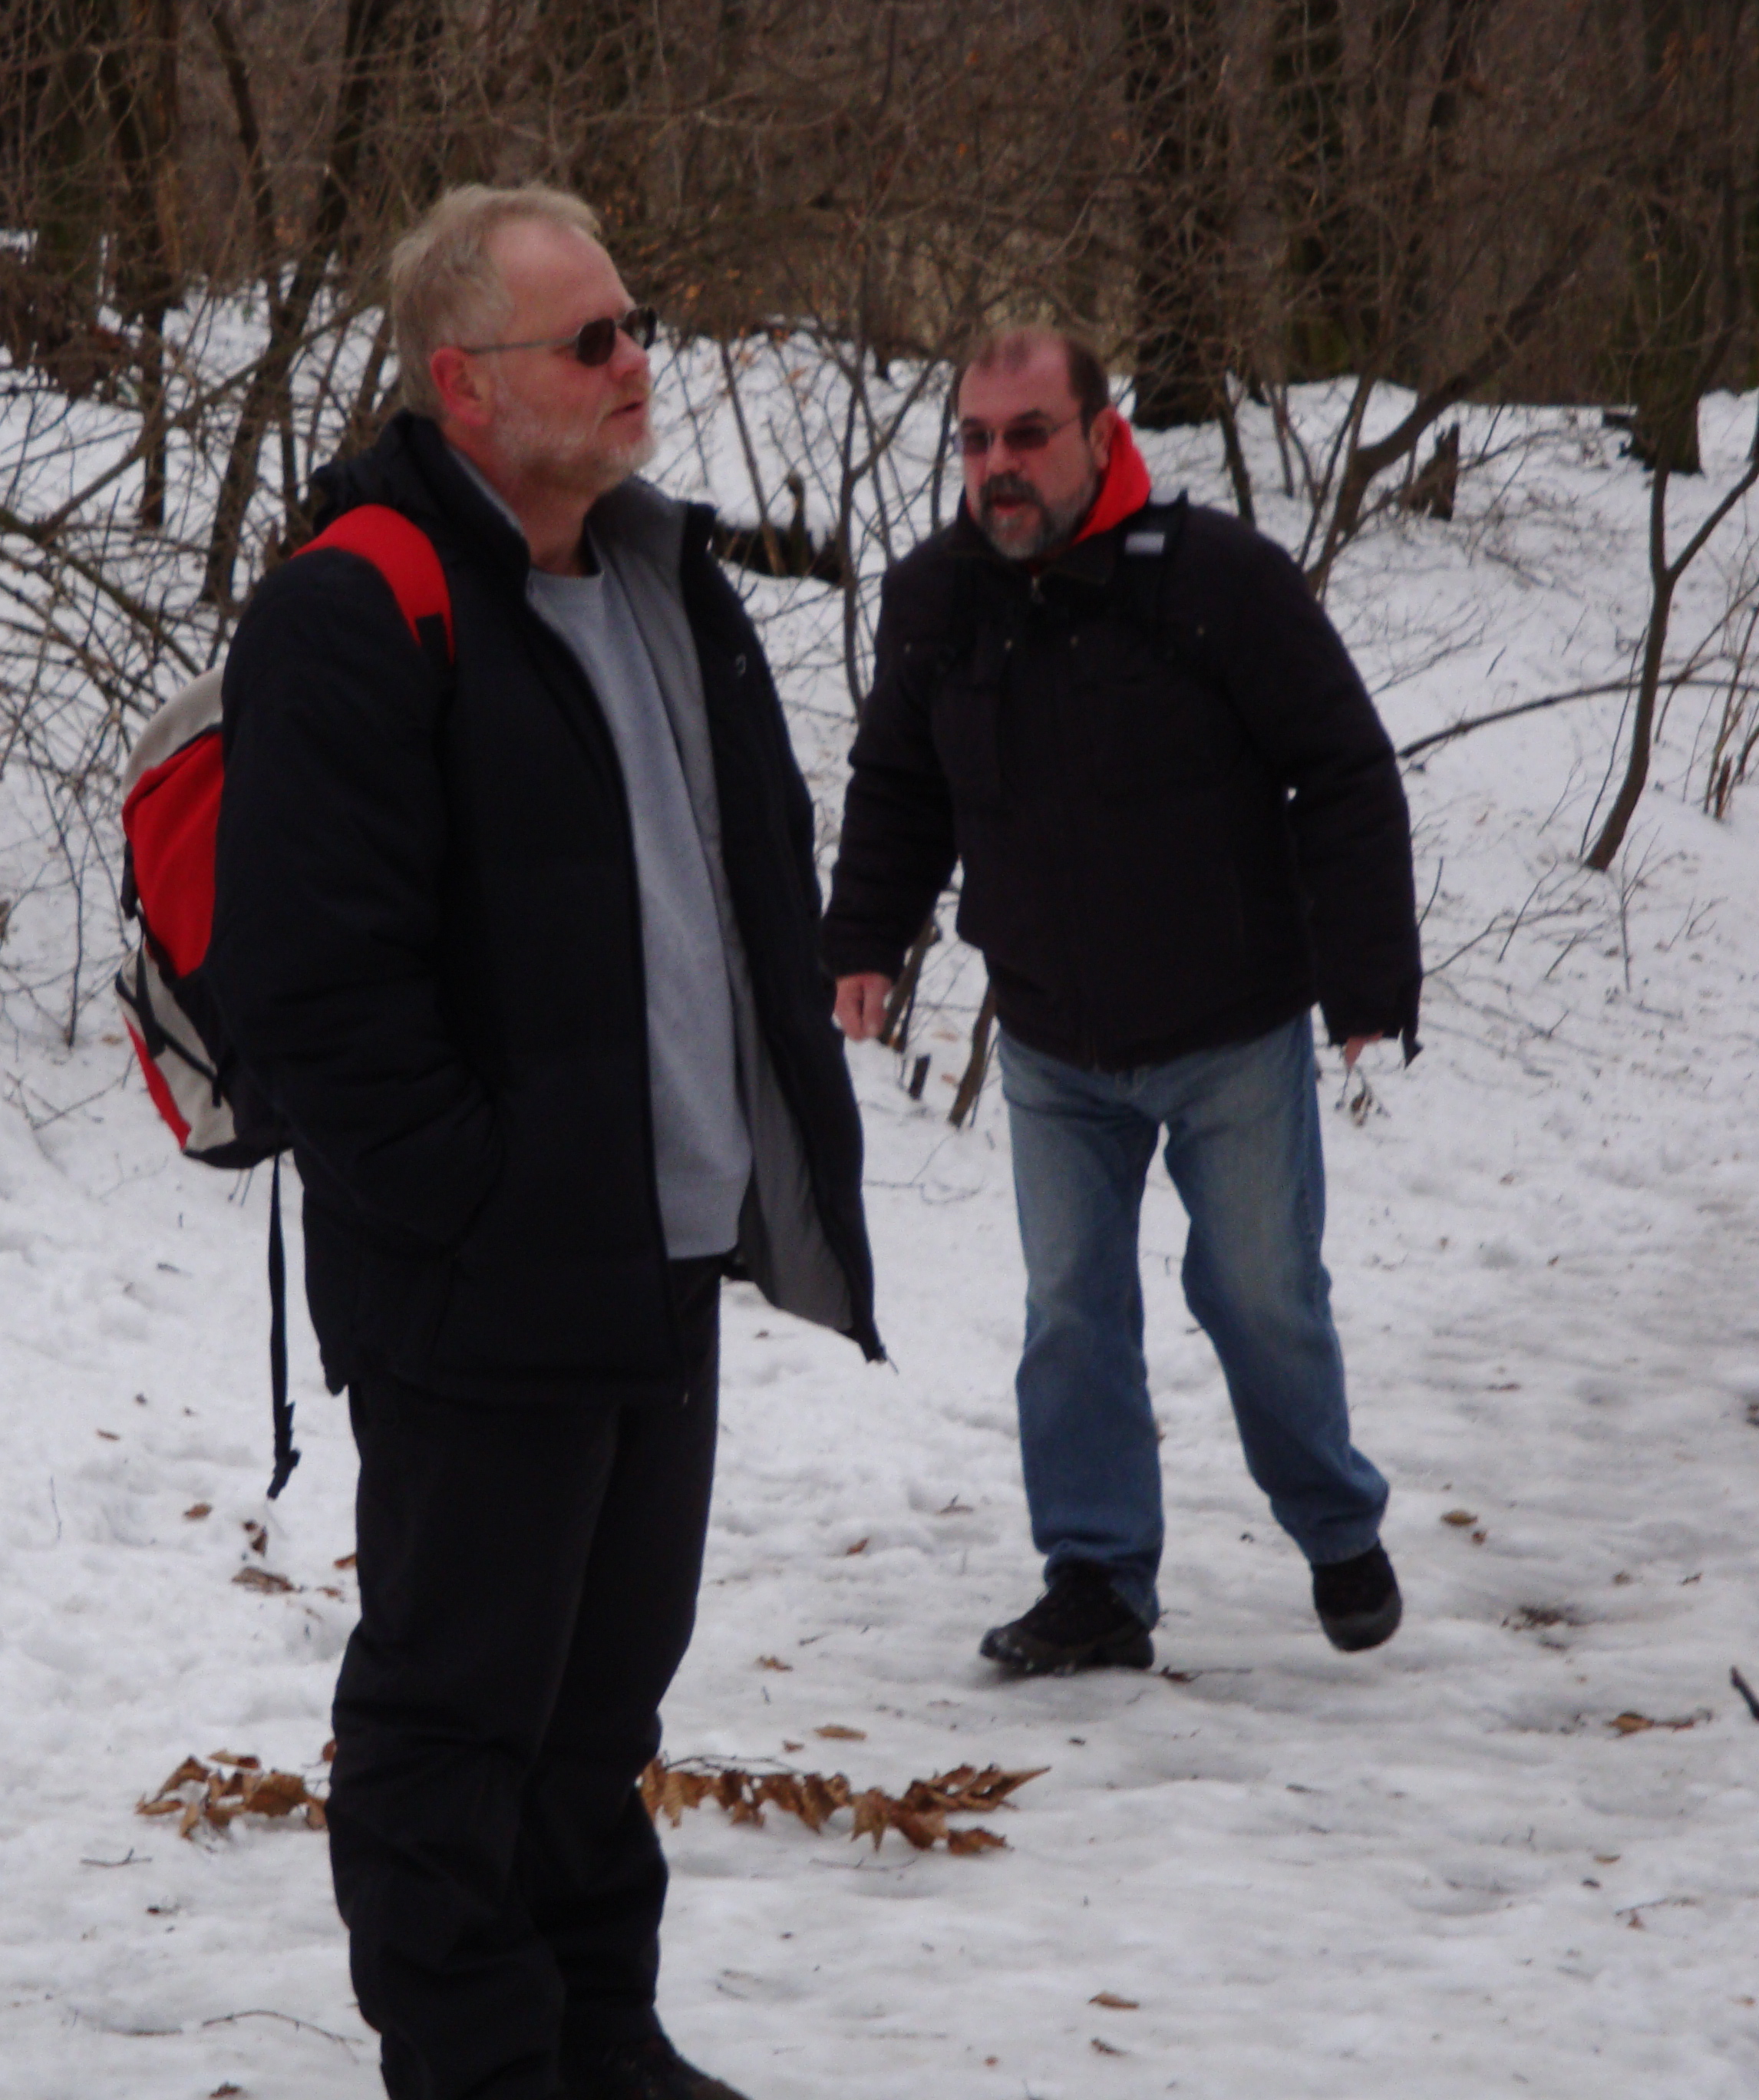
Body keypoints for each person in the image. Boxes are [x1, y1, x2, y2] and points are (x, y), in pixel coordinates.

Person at [211, 185, 881, 2100]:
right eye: (590, 340)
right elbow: (317, 994)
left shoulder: (667, 580)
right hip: (486, 1280)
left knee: (600, 1706)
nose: (634, 362)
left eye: (636, 323)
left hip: (664, 1255)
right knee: (457, 1713)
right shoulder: (354, 607)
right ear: (466, 385)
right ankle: (477, 2062)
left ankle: (599, 2036)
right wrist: (478, 1200)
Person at [820, 328, 1419, 1676]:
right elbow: (900, 782)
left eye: (1028, 435)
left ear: (1102, 435)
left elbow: (1342, 766)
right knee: (1072, 1313)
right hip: (1051, 1037)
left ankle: (1336, 1528)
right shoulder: (938, 599)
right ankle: (1095, 1579)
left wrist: (1366, 973)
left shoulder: (1217, 582)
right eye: (976, 440)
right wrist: (863, 938)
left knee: (1260, 1297)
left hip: (1230, 1028)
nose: (998, 465)